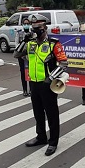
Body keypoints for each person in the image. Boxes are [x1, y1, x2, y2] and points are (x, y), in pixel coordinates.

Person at [13, 14, 68, 156]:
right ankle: (41, 137)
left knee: (51, 114)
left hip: (48, 84)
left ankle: (53, 142)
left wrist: (51, 77)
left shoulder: (53, 44)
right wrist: (24, 41)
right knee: (38, 113)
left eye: (37, 27)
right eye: (33, 28)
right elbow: (16, 55)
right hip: (34, 83)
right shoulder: (30, 43)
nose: (34, 30)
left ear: (44, 28)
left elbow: (64, 64)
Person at [16, 17, 32, 97]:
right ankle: (25, 90)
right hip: (21, 56)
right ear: (22, 24)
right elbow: (16, 44)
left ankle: (31, 90)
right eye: (25, 24)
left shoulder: (32, 33)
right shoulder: (19, 33)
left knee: (31, 72)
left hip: (30, 56)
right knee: (23, 72)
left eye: (27, 24)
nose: (26, 25)